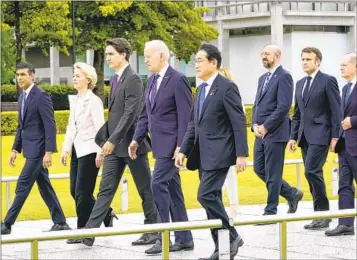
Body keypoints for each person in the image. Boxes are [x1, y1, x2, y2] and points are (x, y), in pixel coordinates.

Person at [82, 38, 157, 247]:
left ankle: (154, 231)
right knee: (105, 190)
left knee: (145, 190)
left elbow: (130, 114)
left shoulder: (132, 79)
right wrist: (105, 143)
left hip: (132, 145)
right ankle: (89, 232)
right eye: (106, 55)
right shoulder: (115, 79)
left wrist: (112, 141)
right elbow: (114, 116)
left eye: (111, 54)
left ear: (123, 54)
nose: (107, 58)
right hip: (114, 147)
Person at [175, 43, 248, 260]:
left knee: (205, 195)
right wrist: (183, 150)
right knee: (211, 201)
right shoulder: (201, 89)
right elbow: (192, 125)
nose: (195, 64)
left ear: (213, 62)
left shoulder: (227, 87)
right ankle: (223, 249)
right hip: (203, 154)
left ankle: (233, 236)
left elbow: (238, 122)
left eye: (199, 60)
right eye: (195, 61)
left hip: (221, 153)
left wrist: (241, 154)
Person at [129, 40, 194, 254]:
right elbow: (146, 115)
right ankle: (184, 237)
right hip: (158, 146)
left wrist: (181, 146)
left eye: (149, 55)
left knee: (156, 185)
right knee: (173, 191)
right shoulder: (151, 81)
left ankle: (162, 235)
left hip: (172, 148)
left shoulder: (178, 80)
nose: (145, 59)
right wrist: (136, 139)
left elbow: (186, 117)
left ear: (162, 57)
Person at [1, 62, 70, 235]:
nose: (19, 78)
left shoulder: (41, 95)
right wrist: (15, 149)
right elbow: (21, 126)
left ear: (32, 75)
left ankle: (7, 224)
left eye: (23, 75)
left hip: (39, 152)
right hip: (29, 150)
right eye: (17, 75)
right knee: (45, 186)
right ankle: (60, 222)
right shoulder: (22, 97)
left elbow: (50, 125)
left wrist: (48, 152)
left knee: (23, 184)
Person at [60, 62, 116, 244]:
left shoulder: (94, 101)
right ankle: (106, 212)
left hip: (91, 151)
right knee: (74, 191)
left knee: (83, 193)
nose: (74, 78)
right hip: (77, 151)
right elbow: (71, 126)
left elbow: (101, 129)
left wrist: (101, 152)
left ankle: (82, 230)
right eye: (74, 75)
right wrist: (66, 149)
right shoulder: (75, 99)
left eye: (78, 75)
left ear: (88, 79)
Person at [288, 47, 342, 230]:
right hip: (304, 136)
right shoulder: (300, 83)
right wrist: (293, 137)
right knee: (310, 174)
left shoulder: (328, 81)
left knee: (312, 171)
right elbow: (297, 114)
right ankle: (319, 215)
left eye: (308, 59)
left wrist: (336, 136)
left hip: (321, 134)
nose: (304, 62)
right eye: (302, 59)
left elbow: (336, 111)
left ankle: (324, 214)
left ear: (317, 61)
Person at [252, 45, 303, 219]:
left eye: (267, 54)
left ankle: (271, 210)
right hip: (260, 133)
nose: (264, 56)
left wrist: (266, 126)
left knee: (273, 173)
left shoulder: (285, 76)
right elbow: (257, 105)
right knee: (259, 169)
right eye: (263, 53)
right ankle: (291, 193)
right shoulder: (262, 78)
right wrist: (254, 125)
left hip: (275, 132)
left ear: (278, 56)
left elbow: (283, 107)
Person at [326, 52, 357, 236]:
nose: (341, 68)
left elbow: (348, 118)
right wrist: (336, 137)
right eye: (340, 65)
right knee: (344, 184)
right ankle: (346, 223)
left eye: (344, 65)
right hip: (345, 145)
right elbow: (340, 117)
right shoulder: (345, 89)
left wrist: (353, 121)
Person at [218, 67, 245, 220]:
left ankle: (234, 205)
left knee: (229, 173)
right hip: (217, 140)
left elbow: (238, 120)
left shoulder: (231, 93)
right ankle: (221, 204)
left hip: (228, 140)